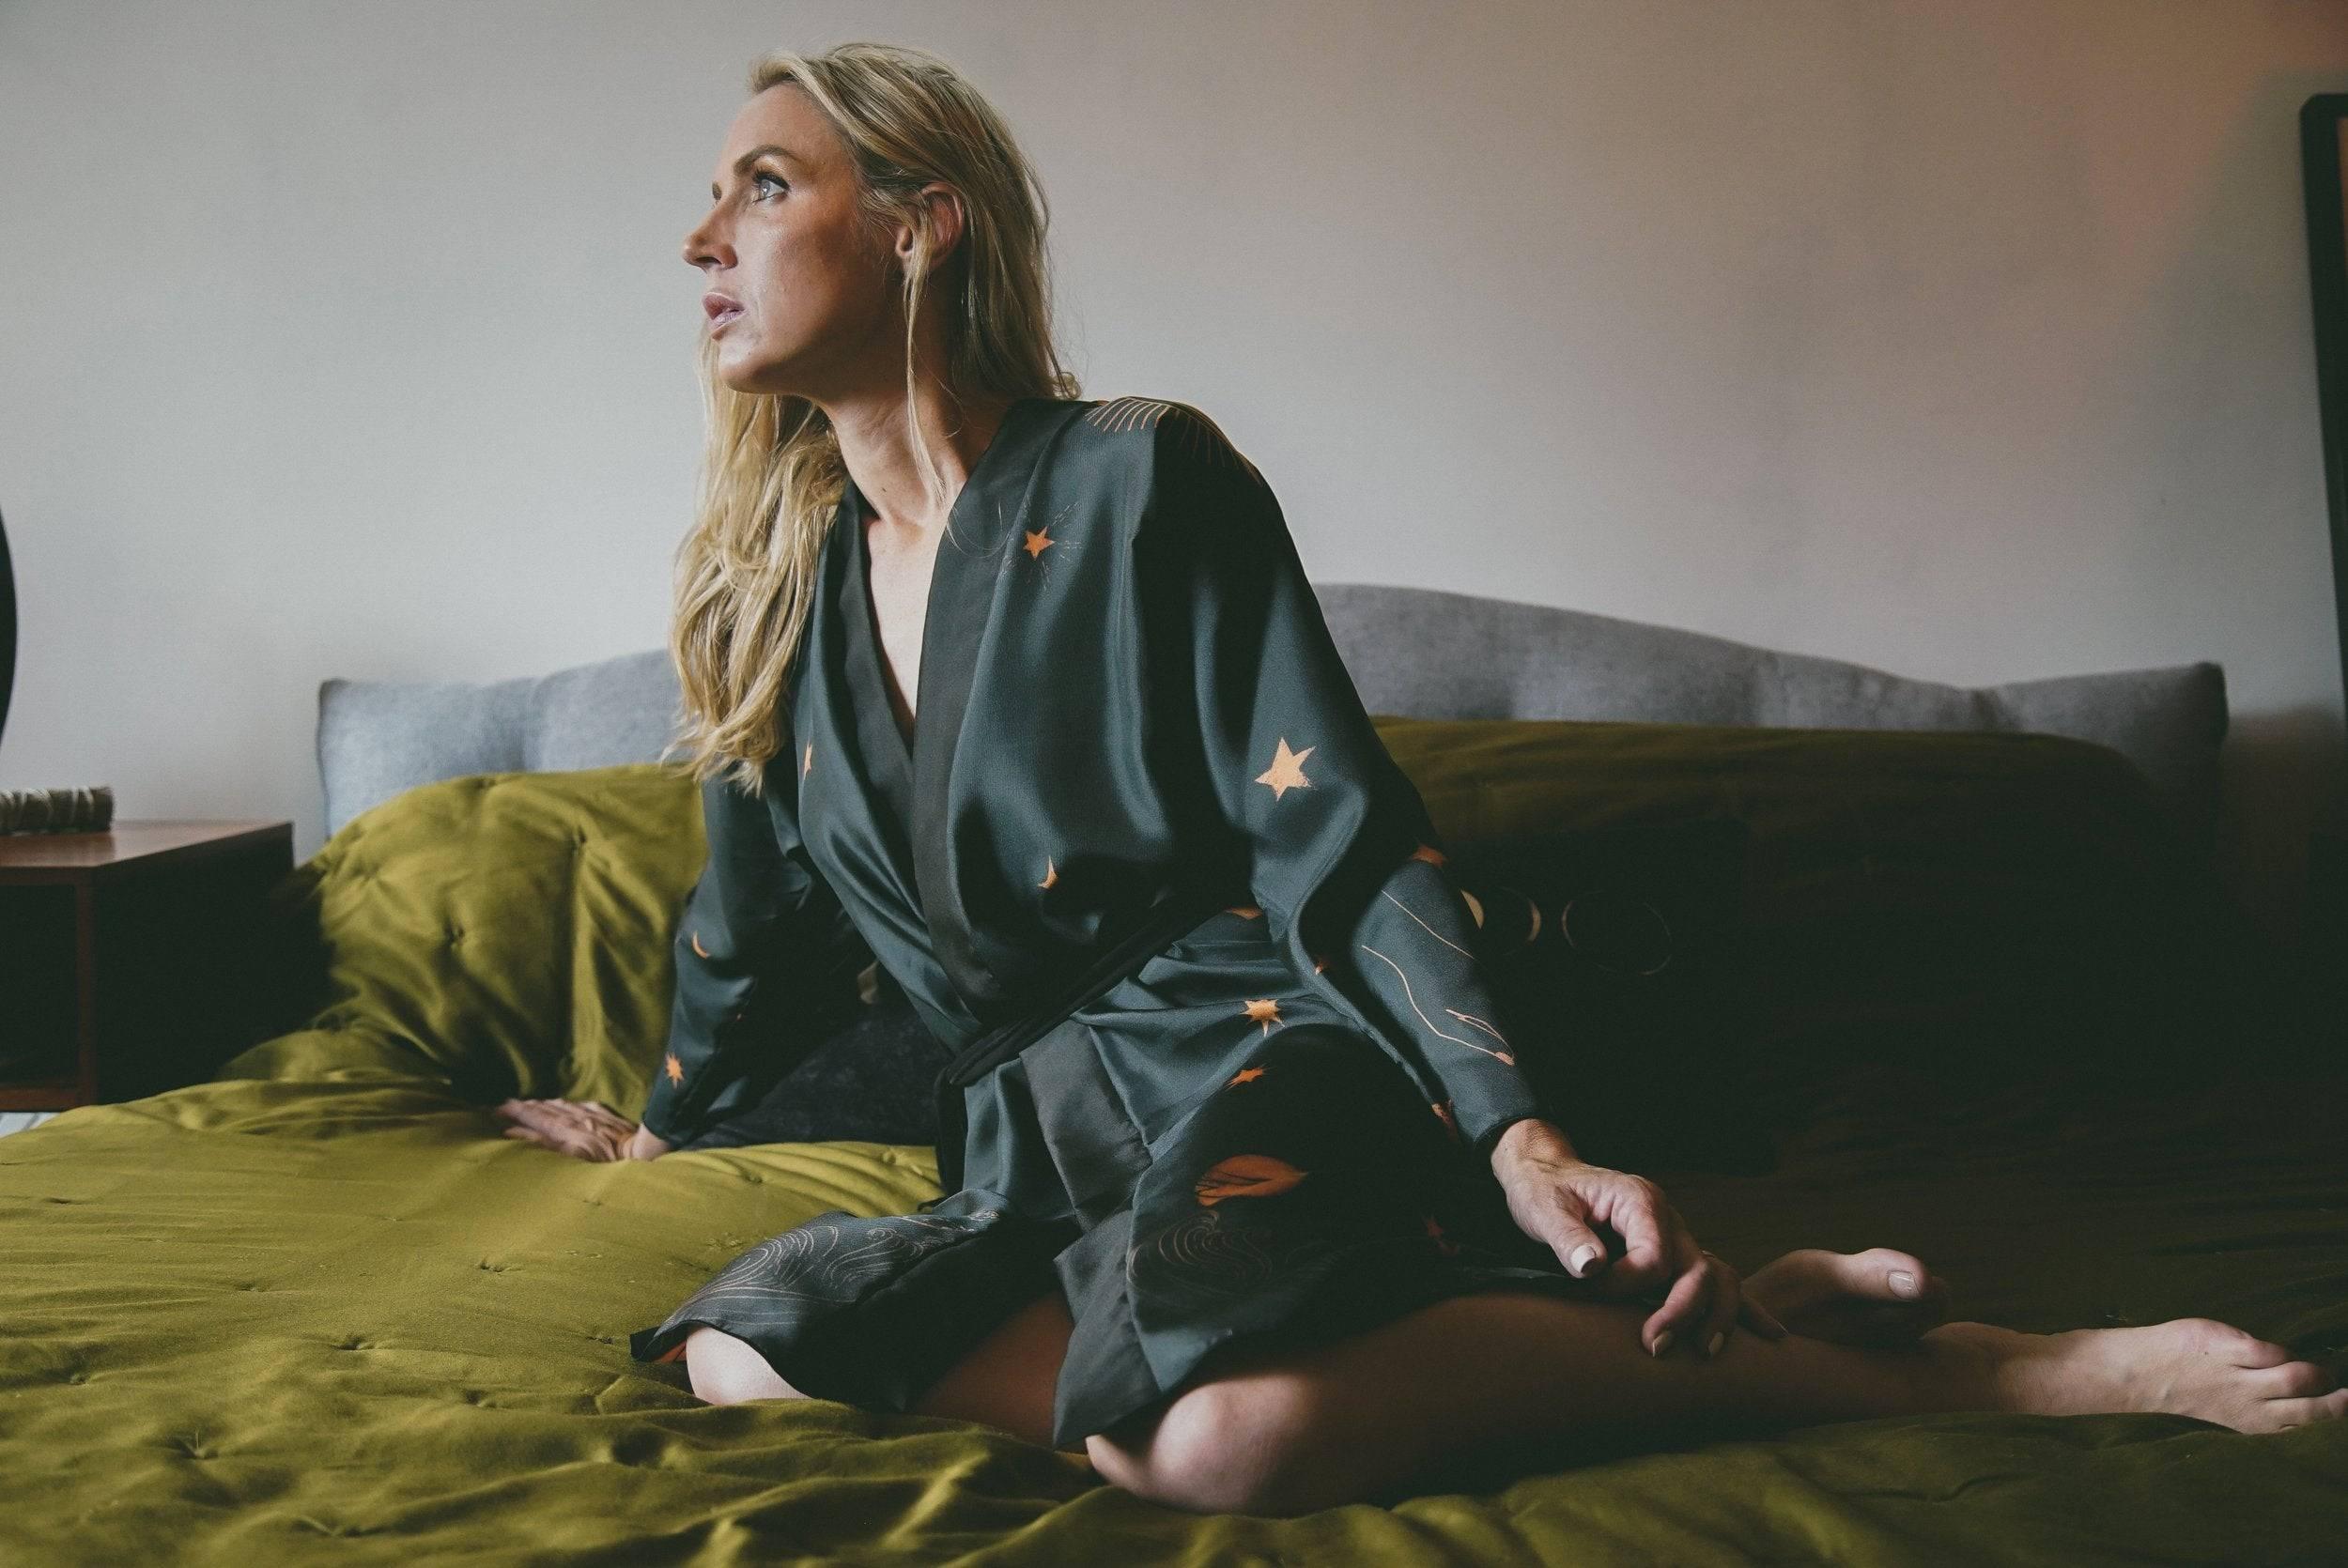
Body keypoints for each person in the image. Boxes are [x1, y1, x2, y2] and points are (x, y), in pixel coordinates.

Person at [493, 39, 2346, 1518]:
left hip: (1257, 1053)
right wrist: (658, 1123)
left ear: (924, 223)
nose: (700, 242)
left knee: (1217, 1444)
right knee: (740, 1354)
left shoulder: (1135, 479)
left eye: (760, 184)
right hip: (1027, 1146)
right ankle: (1690, 1311)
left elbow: (1332, 820)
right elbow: (754, 937)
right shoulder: (772, 605)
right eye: (710, 198)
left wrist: (1511, 1124)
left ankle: (1975, 1371)